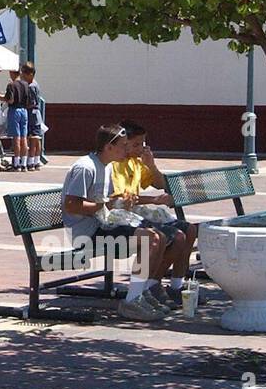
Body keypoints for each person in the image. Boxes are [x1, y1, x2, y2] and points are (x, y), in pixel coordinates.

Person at [61, 124, 183, 321]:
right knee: (151, 239)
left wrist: (120, 202)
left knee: (159, 236)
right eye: (123, 145)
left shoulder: (106, 167)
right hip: (87, 233)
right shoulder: (85, 168)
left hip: (103, 225)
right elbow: (71, 205)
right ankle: (132, 301)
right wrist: (109, 204)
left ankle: (142, 293)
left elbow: (107, 200)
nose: (127, 150)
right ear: (109, 147)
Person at [110, 120, 198, 307]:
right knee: (171, 237)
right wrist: (154, 201)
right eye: (136, 144)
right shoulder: (116, 166)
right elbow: (123, 200)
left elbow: (160, 184)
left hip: (137, 214)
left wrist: (151, 164)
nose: (141, 148)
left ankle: (174, 286)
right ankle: (149, 286)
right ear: (123, 144)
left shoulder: (136, 162)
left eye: (143, 143)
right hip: (123, 217)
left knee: (189, 230)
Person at [3, 69, 30, 171]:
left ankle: (16, 164)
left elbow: (10, 100)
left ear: (12, 73)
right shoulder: (26, 84)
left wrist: (1, 97)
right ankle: (24, 164)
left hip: (14, 111)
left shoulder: (11, 85)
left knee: (16, 138)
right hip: (24, 111)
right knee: (24, 137)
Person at [21, 62, 47, 167]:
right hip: (37, 114)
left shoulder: (31, 86)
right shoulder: (36, 84)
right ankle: (36, 160)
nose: (22, 76)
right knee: (37, 138)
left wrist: (23, 106)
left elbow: (32, 103)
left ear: (30, 74)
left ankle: (31, 161)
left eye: (24, 74)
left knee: (32, 138)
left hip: (32, 114)